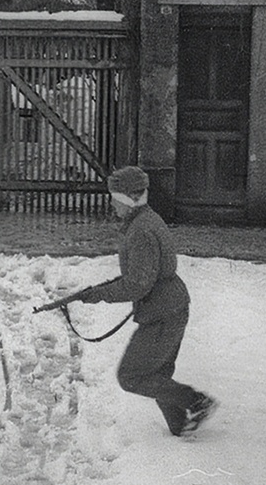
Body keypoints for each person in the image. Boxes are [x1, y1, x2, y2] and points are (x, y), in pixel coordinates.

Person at [80, 165, 217, 437]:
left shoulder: (141, 231)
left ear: (127, 199)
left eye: (114, 198)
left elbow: (138, 284)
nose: (111, 204)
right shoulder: (146, 220)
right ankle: (180, 426)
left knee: (131, 376)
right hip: (170, 307)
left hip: (163, 313)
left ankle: (196, 402)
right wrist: (100, 289)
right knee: (157, 373)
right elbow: (141, 277)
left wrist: (98, 295)